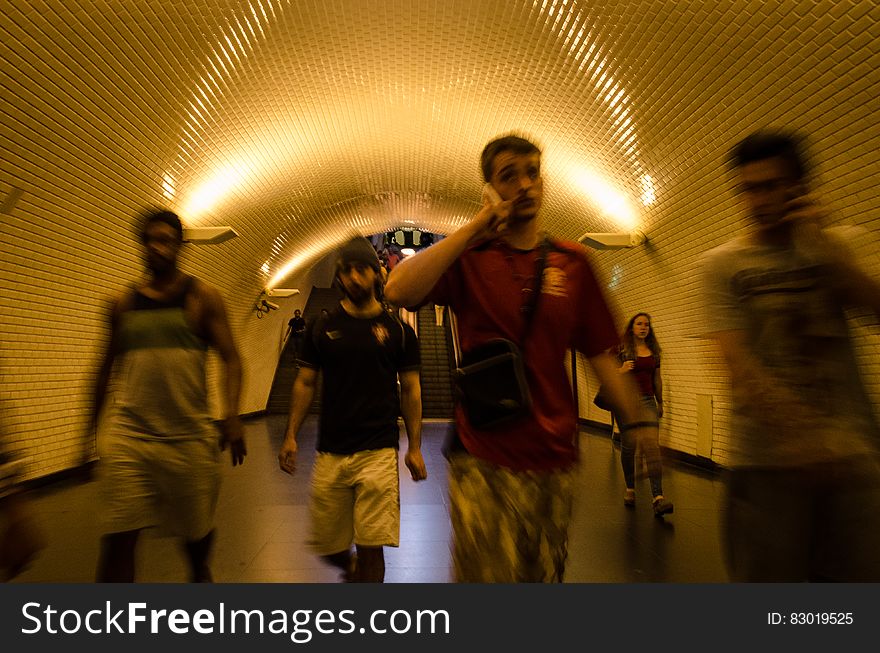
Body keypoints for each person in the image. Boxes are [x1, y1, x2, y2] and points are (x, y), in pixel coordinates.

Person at [385, 134, 647, 582]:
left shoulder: (574, 263)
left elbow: (600, 354)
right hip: (483, 455)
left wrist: (640, 423)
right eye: (509, 176)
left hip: (553, 457)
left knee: (543, 576)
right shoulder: (469, 258)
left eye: (533, 173)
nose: (525, 185)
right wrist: (474, 228)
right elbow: (398, 290)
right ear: (489, 189)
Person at [702, 130, 880, 581]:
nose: (756, 201)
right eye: (747, 188)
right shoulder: (721, 266)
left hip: (854, 463)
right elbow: (736, 366)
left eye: (769, 186)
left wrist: (830, 254)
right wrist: (804, 438)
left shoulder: (838, 246)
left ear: (800, 186)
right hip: (765, 468)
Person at [92, 208, 246, 583]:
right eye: (150, 241)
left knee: (195, 542)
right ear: (140, 245)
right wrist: (89, 434)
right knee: (118, 539)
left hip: (189, 436)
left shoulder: (201, 298)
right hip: (131, 437)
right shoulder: (122, 304)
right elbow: (102, 369)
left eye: (166, 241)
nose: (157, 249)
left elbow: (232, 359)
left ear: (180, 247)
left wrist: (232, 415)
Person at [278, 236, 427, 583]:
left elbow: (412, 390)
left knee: (372, 543)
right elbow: (304, 382)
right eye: (347, 271)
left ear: (377, 274)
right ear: (340, 277)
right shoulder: (322, 326)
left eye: (362, 270)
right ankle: (351, 569)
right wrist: (290, 437)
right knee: (328, 545)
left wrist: (415, 448)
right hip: (331, 449)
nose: (355, 279)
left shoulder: (398, 332)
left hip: (378, 450)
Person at [615, 313, 673, 516]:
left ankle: (658, 497)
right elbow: (608, 374)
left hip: (648, 401)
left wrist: (660, 401)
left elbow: (657, 378)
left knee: (652, 447)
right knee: (629, 447)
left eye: (646, 325)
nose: (643, 327)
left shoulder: (654, 352)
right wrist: (620, 370)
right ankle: (630, 488)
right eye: (639, 324)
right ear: (631, 328)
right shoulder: (622, 350)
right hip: (626, 402)